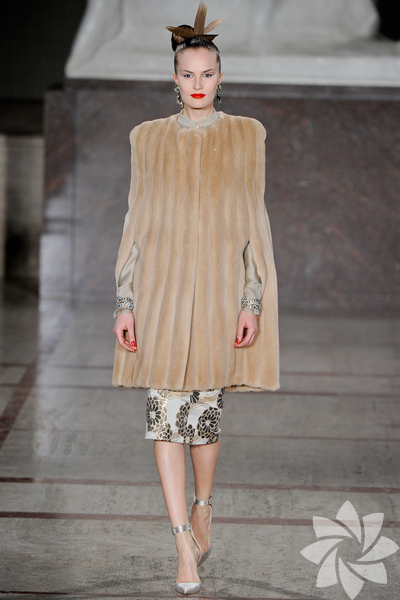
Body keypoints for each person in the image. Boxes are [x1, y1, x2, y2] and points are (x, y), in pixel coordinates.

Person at [112, 2, 279, 595]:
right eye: (188, 74)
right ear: (174, 79)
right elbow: (135, 222)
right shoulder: (148, 138)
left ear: (221, 76)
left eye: (207, 74)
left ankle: (204, 506)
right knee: (165, 416)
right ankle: (182, 541)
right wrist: (125, 300)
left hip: (217, 296)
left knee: (203, 418)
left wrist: (251, 300)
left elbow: (253, 221)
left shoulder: (246, 134)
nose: (198, 84)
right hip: (159, 294)